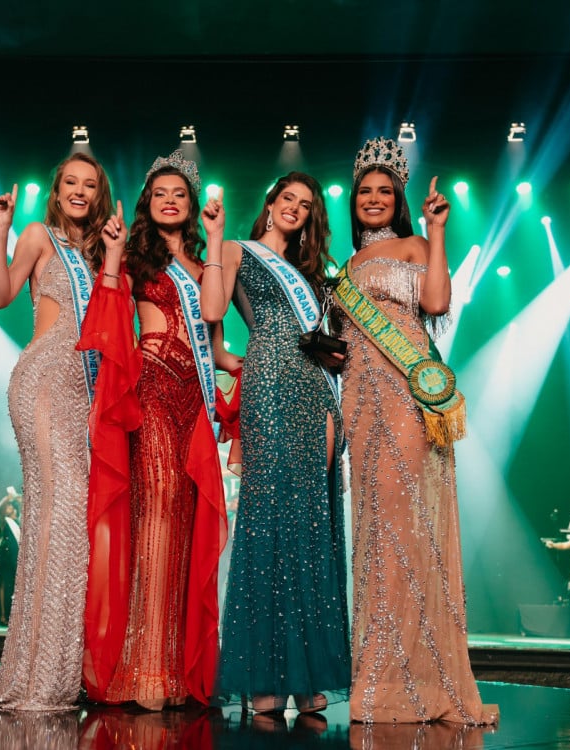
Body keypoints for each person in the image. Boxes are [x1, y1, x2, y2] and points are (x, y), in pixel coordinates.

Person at [334, 138, 495, 724]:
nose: (374, 199)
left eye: (384, 191)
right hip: (358, 397)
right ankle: (379, 668)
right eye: (365, 192)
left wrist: (437, 230)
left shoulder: (414, 244)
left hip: (404, 395)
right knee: (373, 531)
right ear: (353, 201)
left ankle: (419, 674)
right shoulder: (344, 267)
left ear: (398, 199)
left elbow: (436, 299)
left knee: (406, 526)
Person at [82, 151, 232, 709]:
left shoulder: (201, 262)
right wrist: (115, 254)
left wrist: (215, 241)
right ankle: (140, 666)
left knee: (185, 523)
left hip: (192, 399)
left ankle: (171, 665)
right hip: (150, 389)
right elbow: (108, 305)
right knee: (157, 511)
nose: (170, 200)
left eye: (181, 194)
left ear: (192, 206)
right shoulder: (138, 256)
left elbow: (214, 325)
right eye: (161, 192)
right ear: (149, 201)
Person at [200, 172, 348, 714]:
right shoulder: (239, 250)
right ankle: (264, 673)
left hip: (317, 392)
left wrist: (335, 357)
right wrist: (214, 240)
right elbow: (212, 312)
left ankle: (308, 674)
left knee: (313, 525)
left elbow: (327, 338)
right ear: (270, 203)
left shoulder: (313, 276)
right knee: (270, 525)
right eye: (288, 199)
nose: (295, 209)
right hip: (270, 389)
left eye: (305, 205)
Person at [0, 151, 112, 713]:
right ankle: (36, 677)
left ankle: (56, 668)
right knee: (54, 518)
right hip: (40, 381)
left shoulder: (103, 250)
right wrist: (0, 232)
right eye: (71, 183)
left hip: (84, 392)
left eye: (90, 185)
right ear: (57, 192)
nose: (79, 192)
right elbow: (1, 294)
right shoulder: (38, 234)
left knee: (72, 524)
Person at [0, 489, 22, 626]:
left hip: (15, 557)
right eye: (8, 506)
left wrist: (18, 498)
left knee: (13, 587)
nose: (8, 508)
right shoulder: (5, 520)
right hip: (5, 557)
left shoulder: (19, 521)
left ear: (15, 509)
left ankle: (12, 616)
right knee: (3, 585)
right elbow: (0, 507)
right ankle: (2, 615)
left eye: (10, 506)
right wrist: (8, 498)